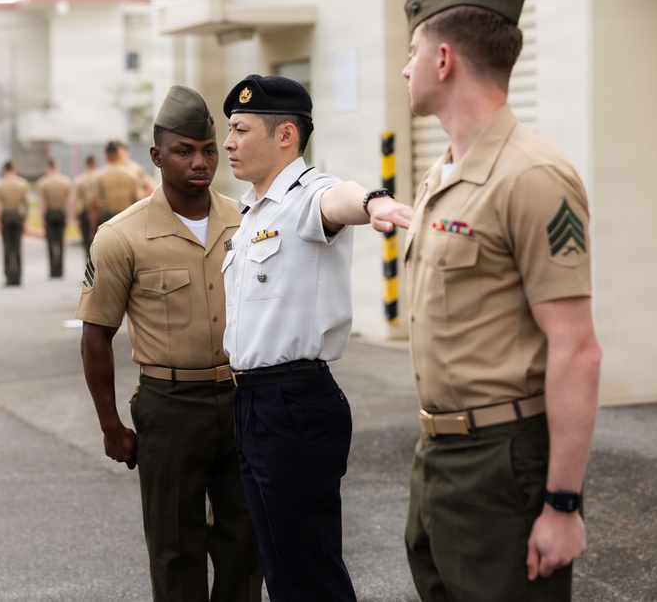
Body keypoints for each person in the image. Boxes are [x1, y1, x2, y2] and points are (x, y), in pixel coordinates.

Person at [400, 0, 602, 602]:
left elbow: (576, 348)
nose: (404, 69)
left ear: (444, 59)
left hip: (501, 461)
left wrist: (562, 505)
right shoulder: (442, 176)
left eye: (412, 52)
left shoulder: (532, 176)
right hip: (438, 453)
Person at [220, 74, 412, 602]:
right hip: (253, 401)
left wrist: (373, 201)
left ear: (285, 135)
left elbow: (340, 198)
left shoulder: (307, 196)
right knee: (281, 566)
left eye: (239, 130)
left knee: (309, 571)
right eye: (228, 131)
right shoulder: (249, 210)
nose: (228, 142)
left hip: (294, 402)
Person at [76, 86, 263, 602]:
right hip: (170, 405)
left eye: (207, 149)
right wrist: (111, 424)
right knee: (175, 548)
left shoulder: (248, 222)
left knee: (244, 544)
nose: (199, 162)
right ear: (156, 156)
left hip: (244, 398)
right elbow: (96, 335)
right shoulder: (121, 236)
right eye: (184, 151)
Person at [89, 139, 153, 233]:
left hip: (108, 217)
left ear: (106, 156)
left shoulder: (99, 175)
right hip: (129, 215)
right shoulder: (133, 172)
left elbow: (94, 203)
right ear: (119, 153)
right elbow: (147, 192)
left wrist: (93, 228)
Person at [0, 160, 30, 287]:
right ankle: (18, 276)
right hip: (17, 215)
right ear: (14, 168)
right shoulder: (22, 183)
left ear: (4, 169)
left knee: (7, 246)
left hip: (6, 216)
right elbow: (26, 204)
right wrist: (24, 219)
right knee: (17, 246)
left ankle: (8, 275)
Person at [36, 158, 72, 278]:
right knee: (61, 241)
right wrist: (68, 216)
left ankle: (53, 270)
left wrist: (42, 218)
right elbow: (68, 201)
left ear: (48, 168)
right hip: (61, 212)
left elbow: (43, 202)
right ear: (57, 167)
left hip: (50, 213)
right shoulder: (66, 181)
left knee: (51, 241)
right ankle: (60, 269)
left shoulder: (43, 182)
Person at [72, 154, 99, 258]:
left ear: (85, 165)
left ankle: (88, 264)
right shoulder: (100, 177)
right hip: (97, 211)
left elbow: (76, 200)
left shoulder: (79, 180)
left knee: (86, 241)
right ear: (95, 164)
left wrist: (76, 217)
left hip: (84, 212)